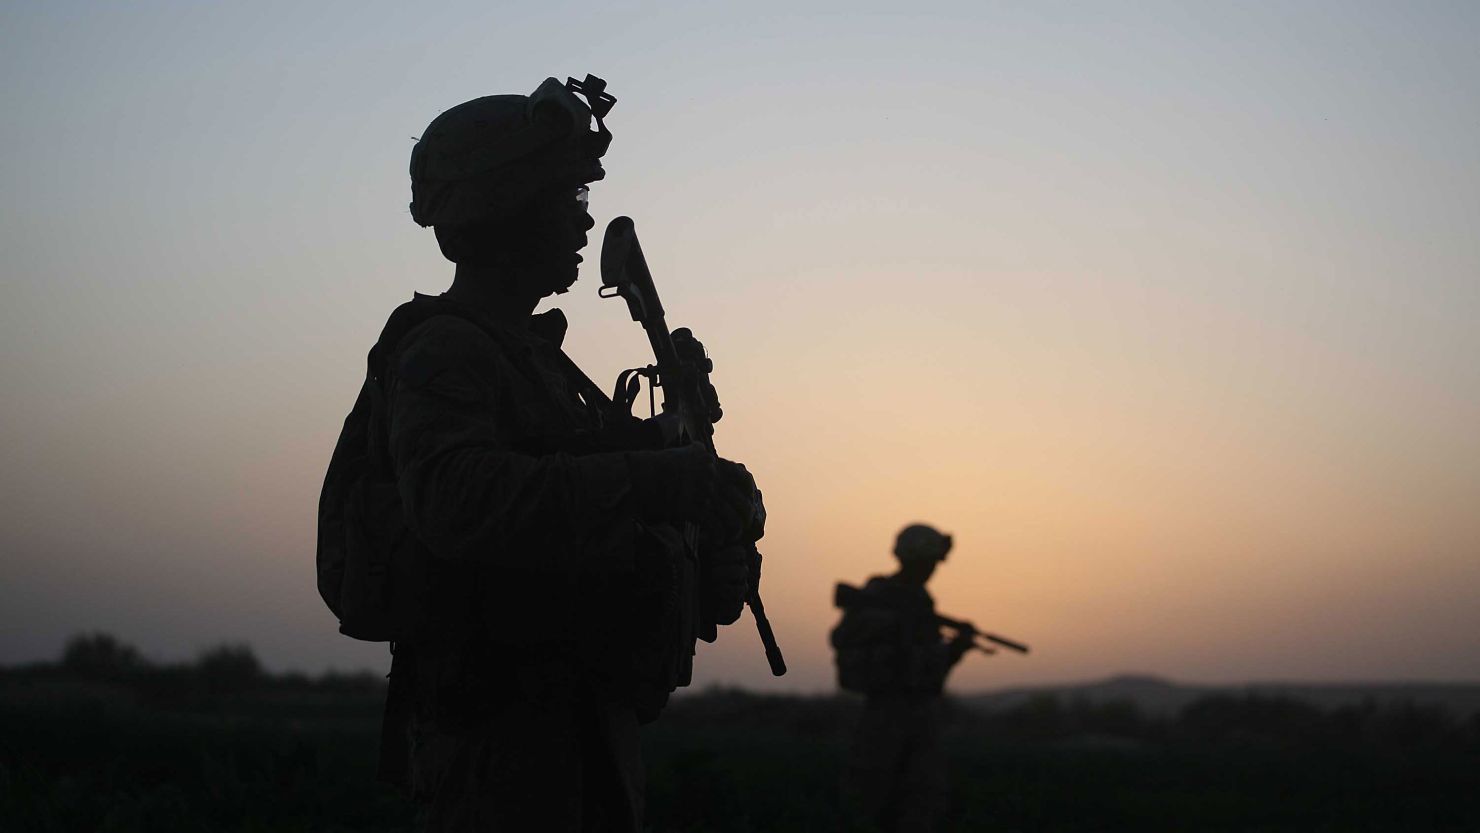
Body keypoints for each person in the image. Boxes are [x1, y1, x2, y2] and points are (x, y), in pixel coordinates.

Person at [317, 74, 763, 832]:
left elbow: (606, 517)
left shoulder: (538, 366)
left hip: (581, 737)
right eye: (568, 199)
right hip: (504, 756)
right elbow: (457, 500)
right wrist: (656, 481)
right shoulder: (447, 350)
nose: (584, 223)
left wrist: (713, 509)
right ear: (506, 208)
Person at [830, 524, 974, 833]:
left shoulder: (920, 601)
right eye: (929, 561)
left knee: (923, 802)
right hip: (884, 714)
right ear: (914, 559)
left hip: (918, 713)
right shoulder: (878, 597)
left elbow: (927, 672)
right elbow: (848, 642)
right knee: (871, 802)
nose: (932, 569)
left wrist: (954, 651)